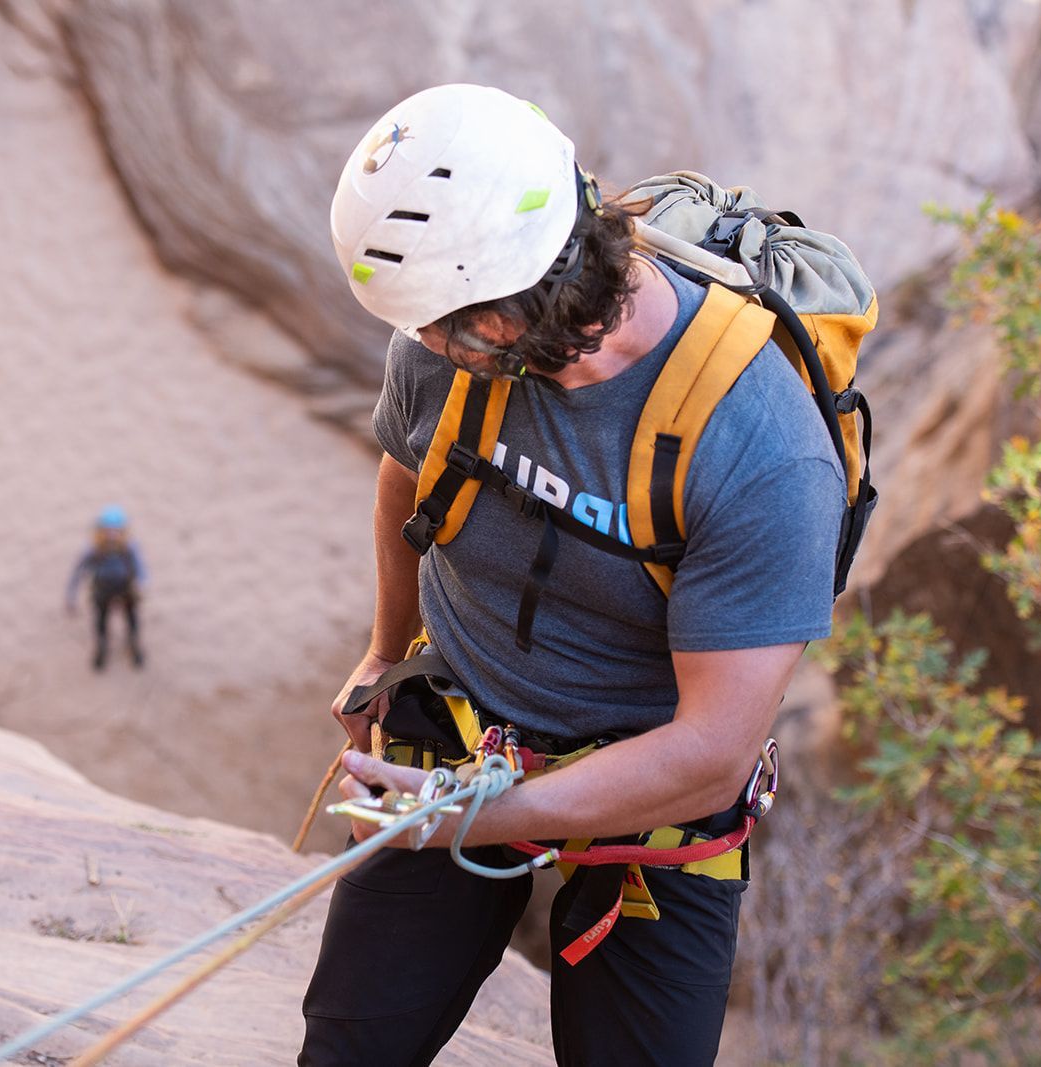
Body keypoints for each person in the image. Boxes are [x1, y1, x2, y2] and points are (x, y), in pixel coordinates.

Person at [300, 84, 846, 1066]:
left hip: (657, 791)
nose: (420, 345)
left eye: (441, 324)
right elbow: (403, 478)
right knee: (349, 1046)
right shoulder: (443, 355)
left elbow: (711, 752)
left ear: (508, 311)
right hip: (462, 719)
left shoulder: (759, 450)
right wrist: (383, 655)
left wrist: (476, 817)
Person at [64, 506, 146, 670]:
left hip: (125, 587)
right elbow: (78, 572)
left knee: (132, 619)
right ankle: (102, 648)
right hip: (102, 587)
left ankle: (133, 644)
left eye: (116, 530)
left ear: (123, 531)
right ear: (100, 531)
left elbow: (140, 567)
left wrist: (142, 584)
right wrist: (71, 595)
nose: (112, 534)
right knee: (101, 621)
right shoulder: (93, 549)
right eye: (108, 530)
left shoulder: (129, 547)